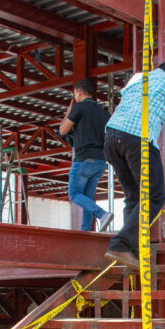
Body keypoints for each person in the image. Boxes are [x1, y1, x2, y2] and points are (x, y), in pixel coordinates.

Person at [103, 62, 165, 268]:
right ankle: (122, 245)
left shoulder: (138, 78)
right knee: (155, 197)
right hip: (137, 138)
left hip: (111, 137)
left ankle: (129, 250)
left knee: (134, 197)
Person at [60, 79, 114, 232]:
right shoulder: (104, 113)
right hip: (100, 162)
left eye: (74, 94)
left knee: (74, 194)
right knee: (87, 199)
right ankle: (86, 231)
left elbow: (63, 130)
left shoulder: (79, 108)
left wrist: (69, 110)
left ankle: (102, 214)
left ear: (78, 92)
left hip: (84, 160)